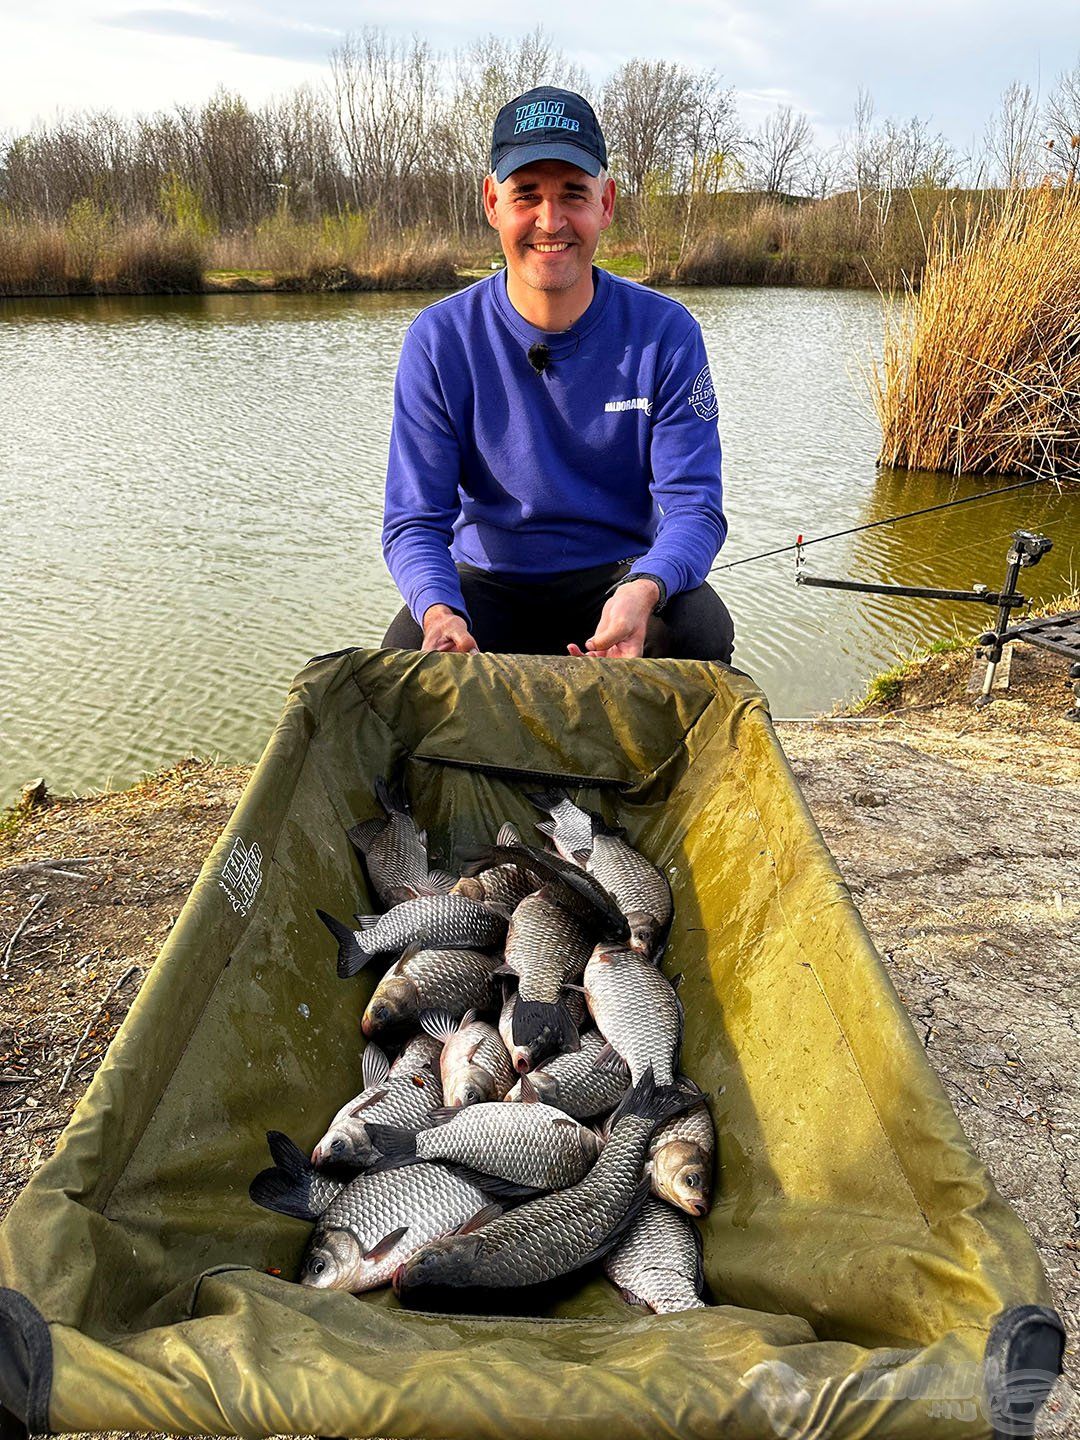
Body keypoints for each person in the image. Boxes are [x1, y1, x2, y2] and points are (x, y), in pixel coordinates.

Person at [381, 86, 734, 663]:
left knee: (700, 626)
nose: (551, 220)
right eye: (527, 196)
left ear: (607, 203)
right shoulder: (438, 339)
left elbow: (695, 507)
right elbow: (414, 520)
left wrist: (647, 586)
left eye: (573, 194)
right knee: (405, 651)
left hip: (616, 584)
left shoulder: (667, 334)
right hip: (486, 586)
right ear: (493, 202)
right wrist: (438, 609)